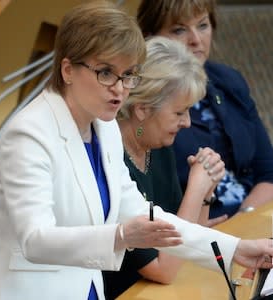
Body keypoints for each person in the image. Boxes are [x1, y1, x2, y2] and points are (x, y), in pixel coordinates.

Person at [0, 2, 273, 300]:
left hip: (83, 287)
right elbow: (34, 240)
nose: (120, 89)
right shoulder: (29, 134)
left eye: (128, 75)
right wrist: (120, 236)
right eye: (106, 73)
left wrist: (235, 249)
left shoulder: (103, 126)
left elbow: (143, 214)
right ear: (68, 70)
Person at [137, 0, 273, 220]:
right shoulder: (148, 106)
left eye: (202, 25)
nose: (196, 40)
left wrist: (243, 220)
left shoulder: (229, 81)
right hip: (193, 232)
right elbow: (151, 202)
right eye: (179, 30)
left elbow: (272, 175)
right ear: (150, 38)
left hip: (254, 215)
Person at [103, 36, 226, 299]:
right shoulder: (110, 161)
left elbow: (191, 241)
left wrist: (206, 193)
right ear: (143, 110)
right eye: (179, 112)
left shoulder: (156, 147)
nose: (188, 123)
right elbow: (163, 268)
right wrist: (195, 188)